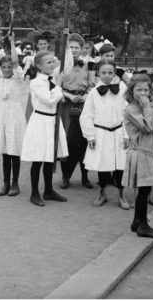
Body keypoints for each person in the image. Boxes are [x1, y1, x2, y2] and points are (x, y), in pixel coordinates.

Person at [20, 49, 69, 207]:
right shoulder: (36, 82)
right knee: (38, 158)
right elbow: (49, 100)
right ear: (39, 66)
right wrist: (59, 85)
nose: (52, 65)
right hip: (41, 120)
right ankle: (35, 193)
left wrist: (66, 48)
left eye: (53, 62)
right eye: (49, 62)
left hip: (53, 120)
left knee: (50, 157)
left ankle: (48, 190)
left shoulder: (51, 80)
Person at [0, 33, 28, 197]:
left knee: (14, 151)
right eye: (5, 67)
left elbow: (16, 62)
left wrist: (12, 41)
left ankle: (15, 183)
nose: (7, 69)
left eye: (9, 67)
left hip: (14, 116)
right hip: (1, 115)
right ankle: (6, 183)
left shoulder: (17, 78)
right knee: (5, 152)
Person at [81, 59, 130, 210]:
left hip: (118, 132)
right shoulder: (94, 93)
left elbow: (127, 113)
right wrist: (90, 136)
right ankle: (102, 192)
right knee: (102, 165)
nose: (107, 76)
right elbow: (87, 115)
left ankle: (121, 194)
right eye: (104, 73)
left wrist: (126, 134)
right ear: (98, 73)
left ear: (115, 72)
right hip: (100, 132)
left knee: (120, 165)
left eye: (110, 72)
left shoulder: (122, 90)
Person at [122, 74, 153, 238]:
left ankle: (137, 222)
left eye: (146, 90)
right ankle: (142, 226)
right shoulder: (132, 109)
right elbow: (147, 127)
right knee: (143, 191)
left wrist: (151, 109)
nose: (142, 93)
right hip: (141, 154)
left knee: (145, 190)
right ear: (131, 91)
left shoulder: (145, 107)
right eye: (138, 90)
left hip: (149, 153)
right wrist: (148, 108)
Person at [58, 35, 94, 190]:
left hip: (84, 106)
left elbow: (92, 85)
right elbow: (55, 86)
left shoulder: (88, 65)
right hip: (67, 105)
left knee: (83, 140)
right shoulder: (60, 66)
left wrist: (86, 95)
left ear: (81, 48)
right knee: (66, 140)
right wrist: (69, 96)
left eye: (76, 47)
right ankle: (65, 176)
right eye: (70, 47)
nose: (73, 50)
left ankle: (85, 176)